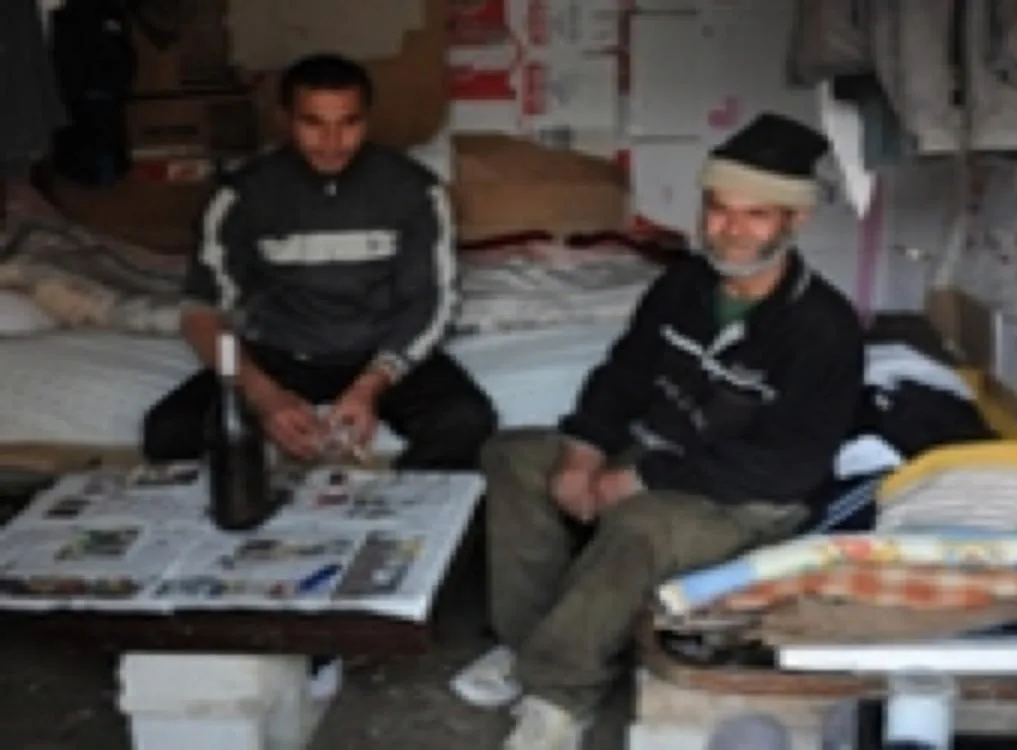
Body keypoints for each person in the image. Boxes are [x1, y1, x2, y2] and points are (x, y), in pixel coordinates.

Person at [451, 113, 865, 750]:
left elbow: (786, 464)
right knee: (513, 456)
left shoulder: (823, 328)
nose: (730, 229)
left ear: (796, 220)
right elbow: (624, 374)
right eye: (718, 209)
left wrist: (637, 479)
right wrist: (584, 451)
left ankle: (561, 694)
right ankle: (531, 646)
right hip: (655, 451)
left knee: (641, 525)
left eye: (756, 215)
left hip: (747, 497)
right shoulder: (684, 283)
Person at [142, 53, 496, 469]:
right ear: (284, 119)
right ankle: (253, 503)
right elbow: (201, 313)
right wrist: (265, 396)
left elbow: (430, 303)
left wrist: (369, 386)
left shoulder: (415, 191)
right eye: (313, 123)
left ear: (368, 119)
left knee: (464, 420)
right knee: (170, 429)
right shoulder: (242, 196)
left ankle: (397, 507)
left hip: (378, 352)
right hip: (278, 353)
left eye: (349, 123)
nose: (332, 141)